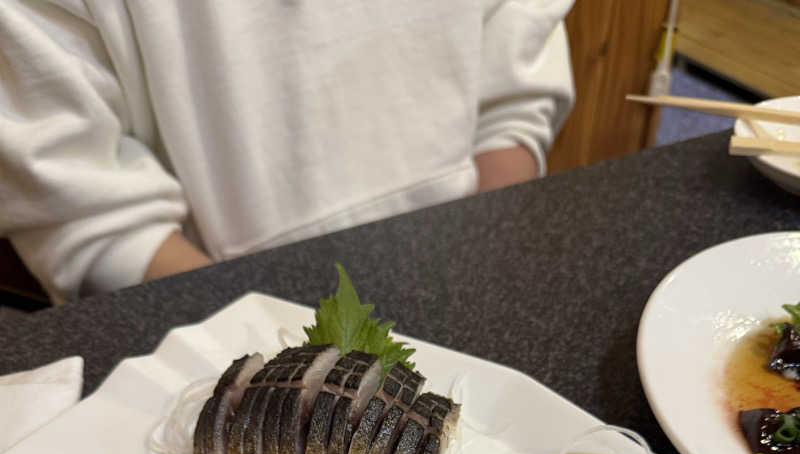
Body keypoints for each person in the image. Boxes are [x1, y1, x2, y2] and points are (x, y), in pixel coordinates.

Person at [0, 1, 574, 304]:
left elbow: (514, 50)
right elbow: (82, 205)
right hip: (211, 320)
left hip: (467, 255)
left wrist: (487, 253)